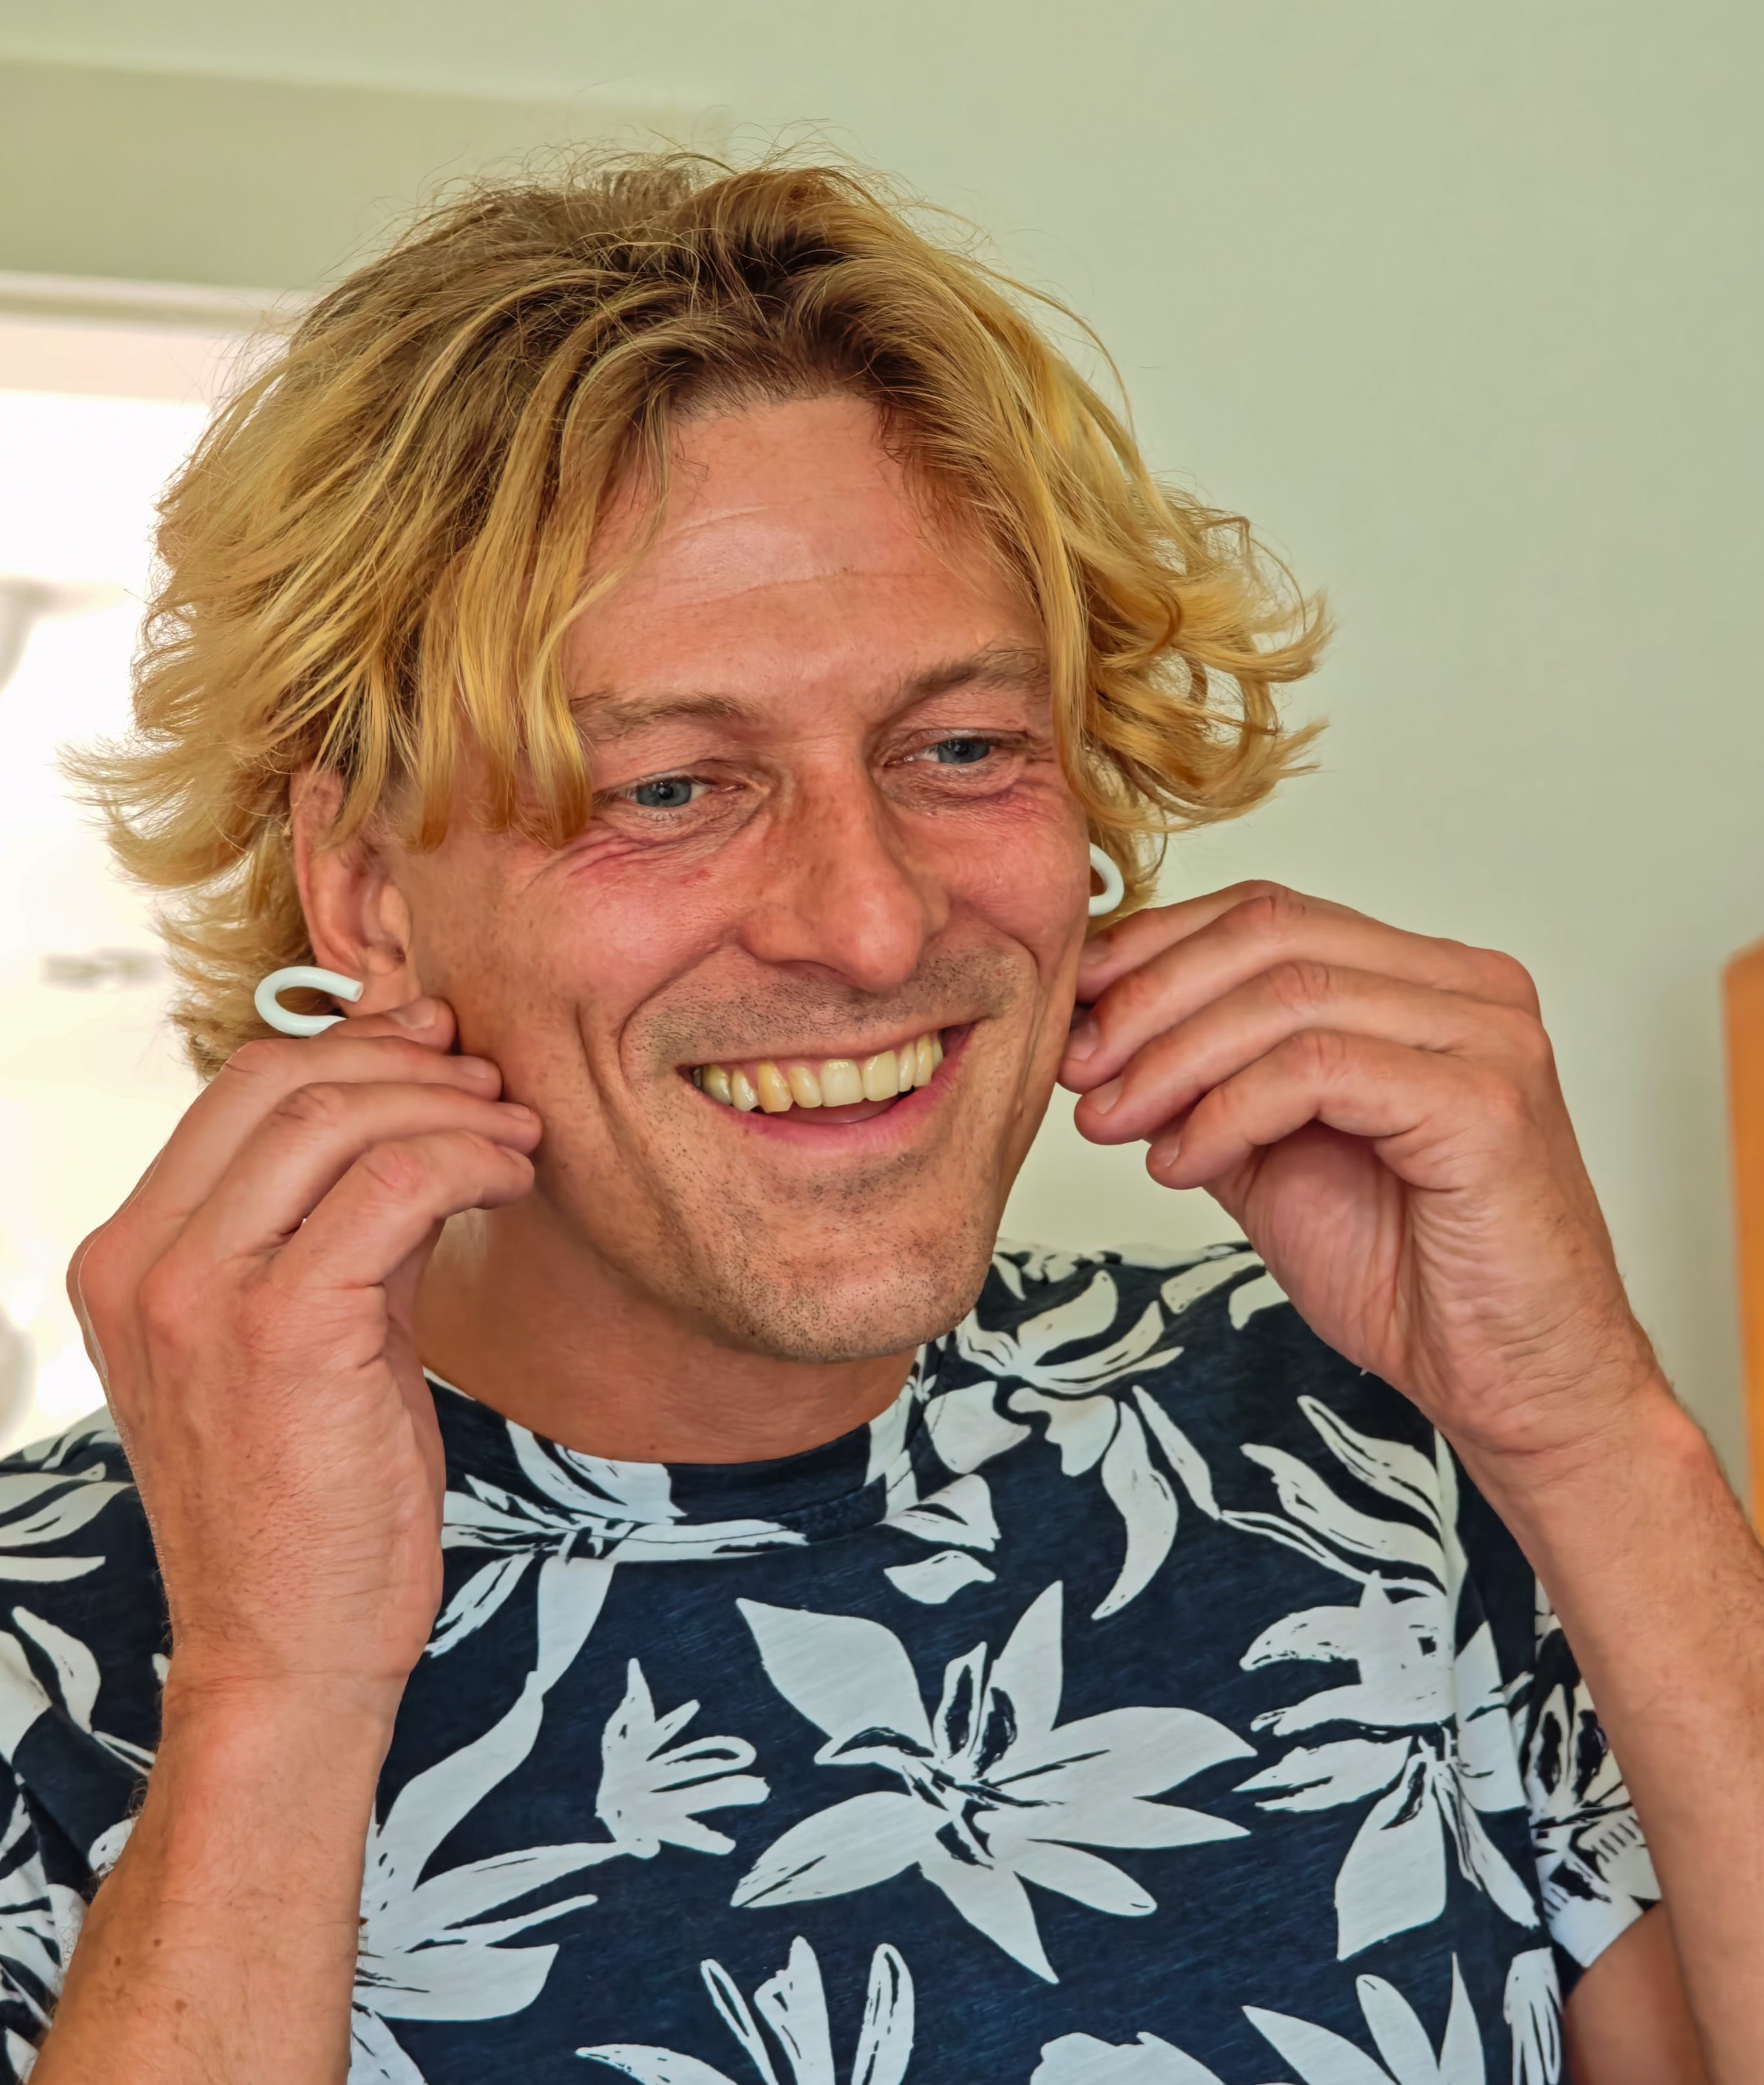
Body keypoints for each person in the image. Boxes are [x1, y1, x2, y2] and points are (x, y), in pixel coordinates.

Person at [5, 155, 1758, 2085]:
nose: (868, 923)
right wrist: (272, 1688)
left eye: (961, 749)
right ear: (363, 892)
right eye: (667, 788)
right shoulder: (44, 1643)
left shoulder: (1354, 1445)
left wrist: (1589, 1433)